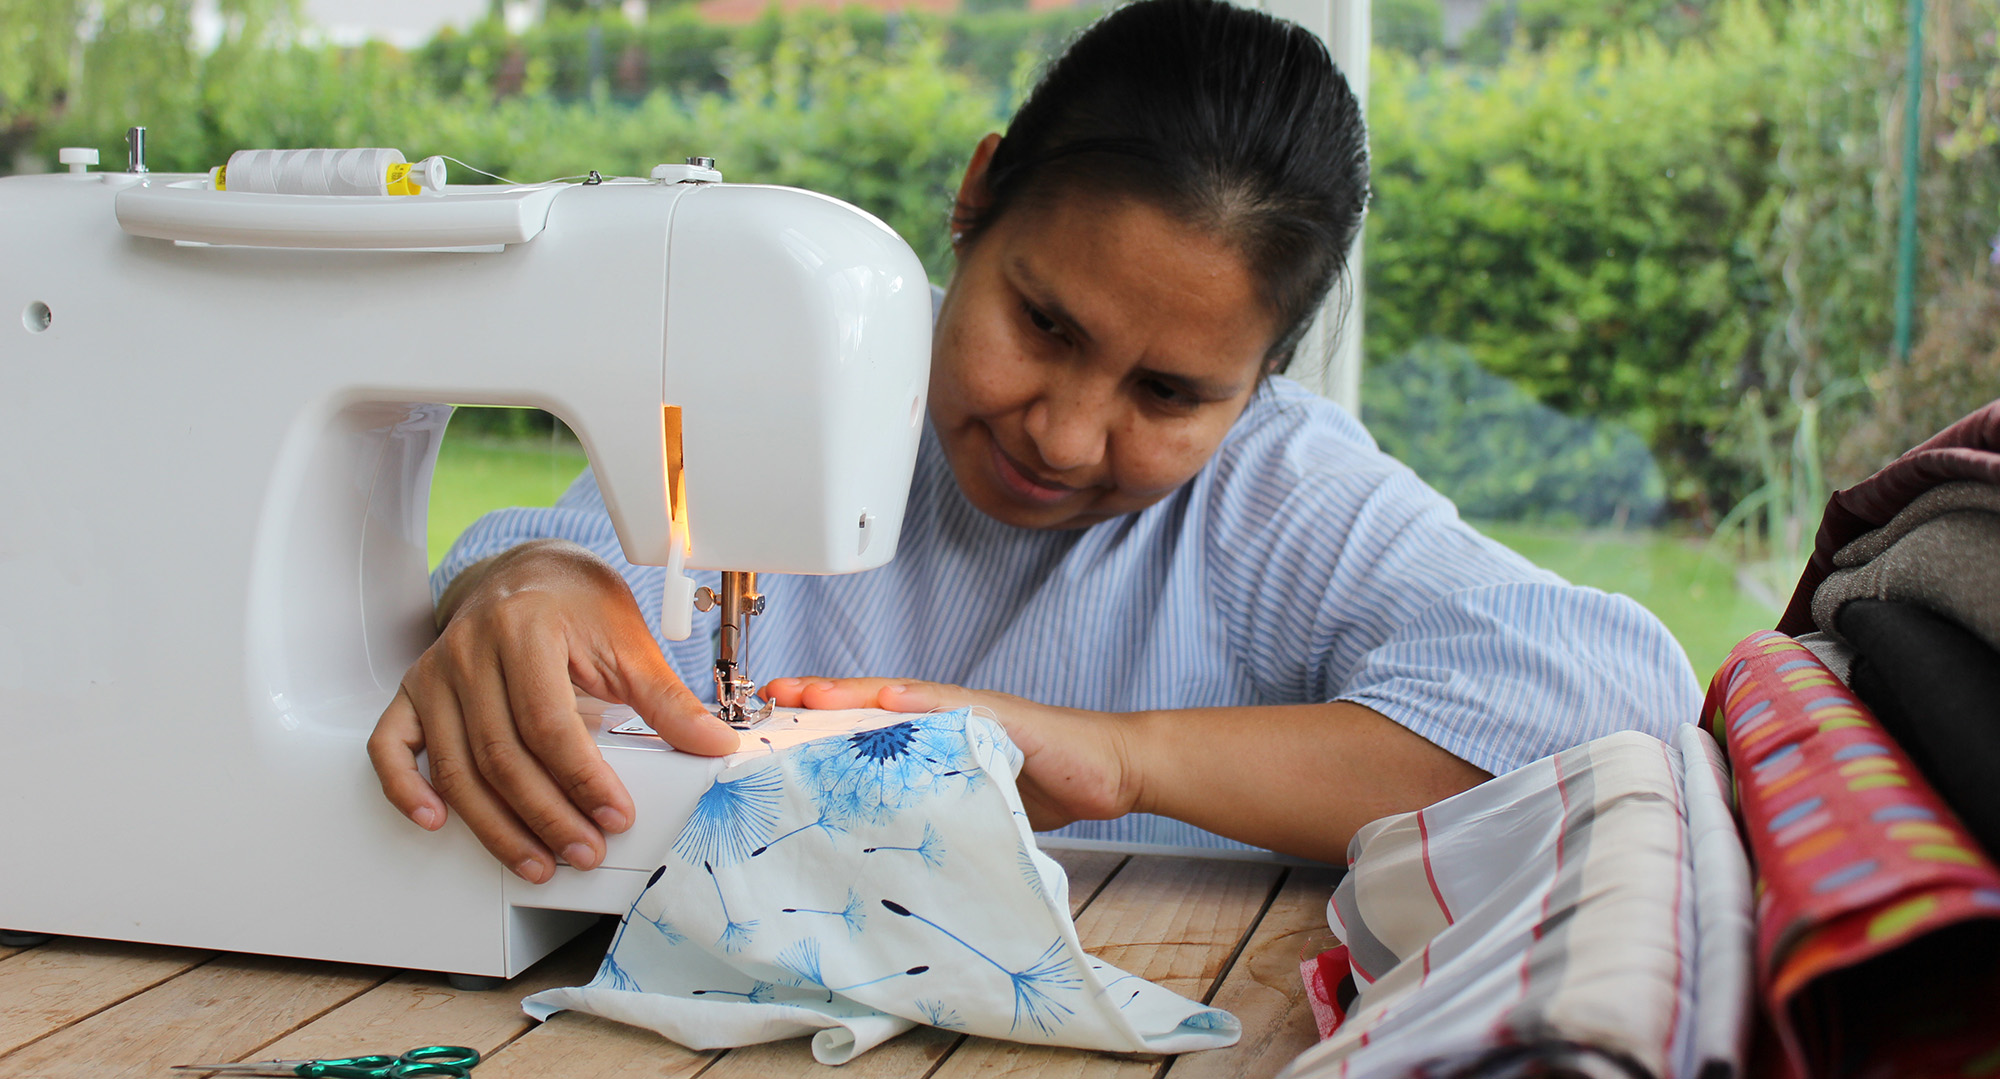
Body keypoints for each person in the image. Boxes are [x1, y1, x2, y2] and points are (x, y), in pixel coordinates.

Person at [368, 0, 1700, 885]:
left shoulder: (1271, 493)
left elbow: (1599, 694)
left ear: (1264, 382)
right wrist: (528, 586)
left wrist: (1116, 759)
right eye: (1044, 322)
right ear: (975, 196)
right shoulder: (805, 389)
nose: (1065, 434)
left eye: (1172, 393)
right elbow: (562, 558)